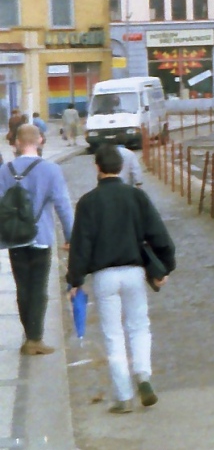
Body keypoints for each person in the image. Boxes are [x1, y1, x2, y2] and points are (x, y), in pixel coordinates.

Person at [67, 144, 175, 414]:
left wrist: (75, 280)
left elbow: (81, 245)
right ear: (121, 167)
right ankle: (143, 376)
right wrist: (165, 269)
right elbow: (160, 237)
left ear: (97, 167)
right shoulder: (136, 197)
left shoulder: (88, 202)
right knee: (139, 326)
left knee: (113, 334)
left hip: (104, 276)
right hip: (134, 273)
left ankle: (123, 397)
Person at [0, 124, 73, 356]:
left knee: (23, 286)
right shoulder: (51, 170)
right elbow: (63, 205)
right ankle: (35, 338)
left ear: (18, 143)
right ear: (41, 140)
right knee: (39, 286)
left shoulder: (4, 170)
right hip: (41, 236)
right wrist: (71, 236)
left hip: (15, 238)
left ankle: (29, 334)